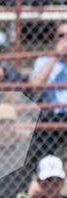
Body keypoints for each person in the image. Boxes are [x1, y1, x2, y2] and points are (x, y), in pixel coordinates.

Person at [29, 21, 67, 157]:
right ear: (55, 39)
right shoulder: (44, 60)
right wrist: (55, 57)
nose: (65, 41)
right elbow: (34, 85)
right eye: (61, 36)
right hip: (52, 115)